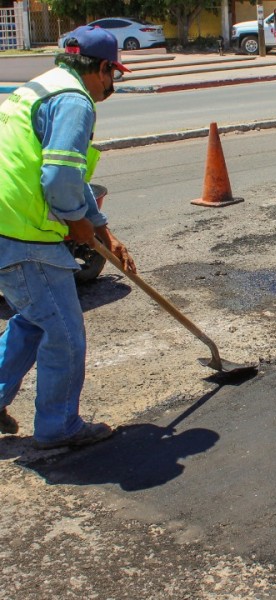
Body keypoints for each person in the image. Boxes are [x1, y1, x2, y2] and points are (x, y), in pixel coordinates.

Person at [0, 25, 137, 450]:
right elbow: (60, 178)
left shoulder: (38, 88)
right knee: (63, 333)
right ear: (100, 68)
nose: (110, 84)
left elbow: (69, 177)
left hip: (7, 225)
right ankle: (58, 427)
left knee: (35, 320)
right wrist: (75, 220)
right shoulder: (75, 102)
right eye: (112, 74)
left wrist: (100, 227)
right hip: (25, 236)